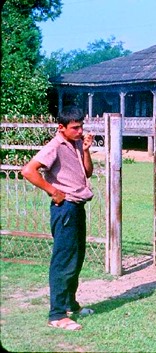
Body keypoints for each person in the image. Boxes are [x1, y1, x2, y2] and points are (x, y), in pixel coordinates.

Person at [21, 106, 94, 331]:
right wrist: (52, 191)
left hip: (77, 207)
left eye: (81, 126)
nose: (80, 131)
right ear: (61, 128)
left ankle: (71, 304)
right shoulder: (54, 146)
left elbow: (88, 172)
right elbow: (28, 170)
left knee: (77, 257)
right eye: (75, 128)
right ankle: (57, 314)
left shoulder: (77, 143)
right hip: (64, 209)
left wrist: (86, 150)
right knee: (64, 261)